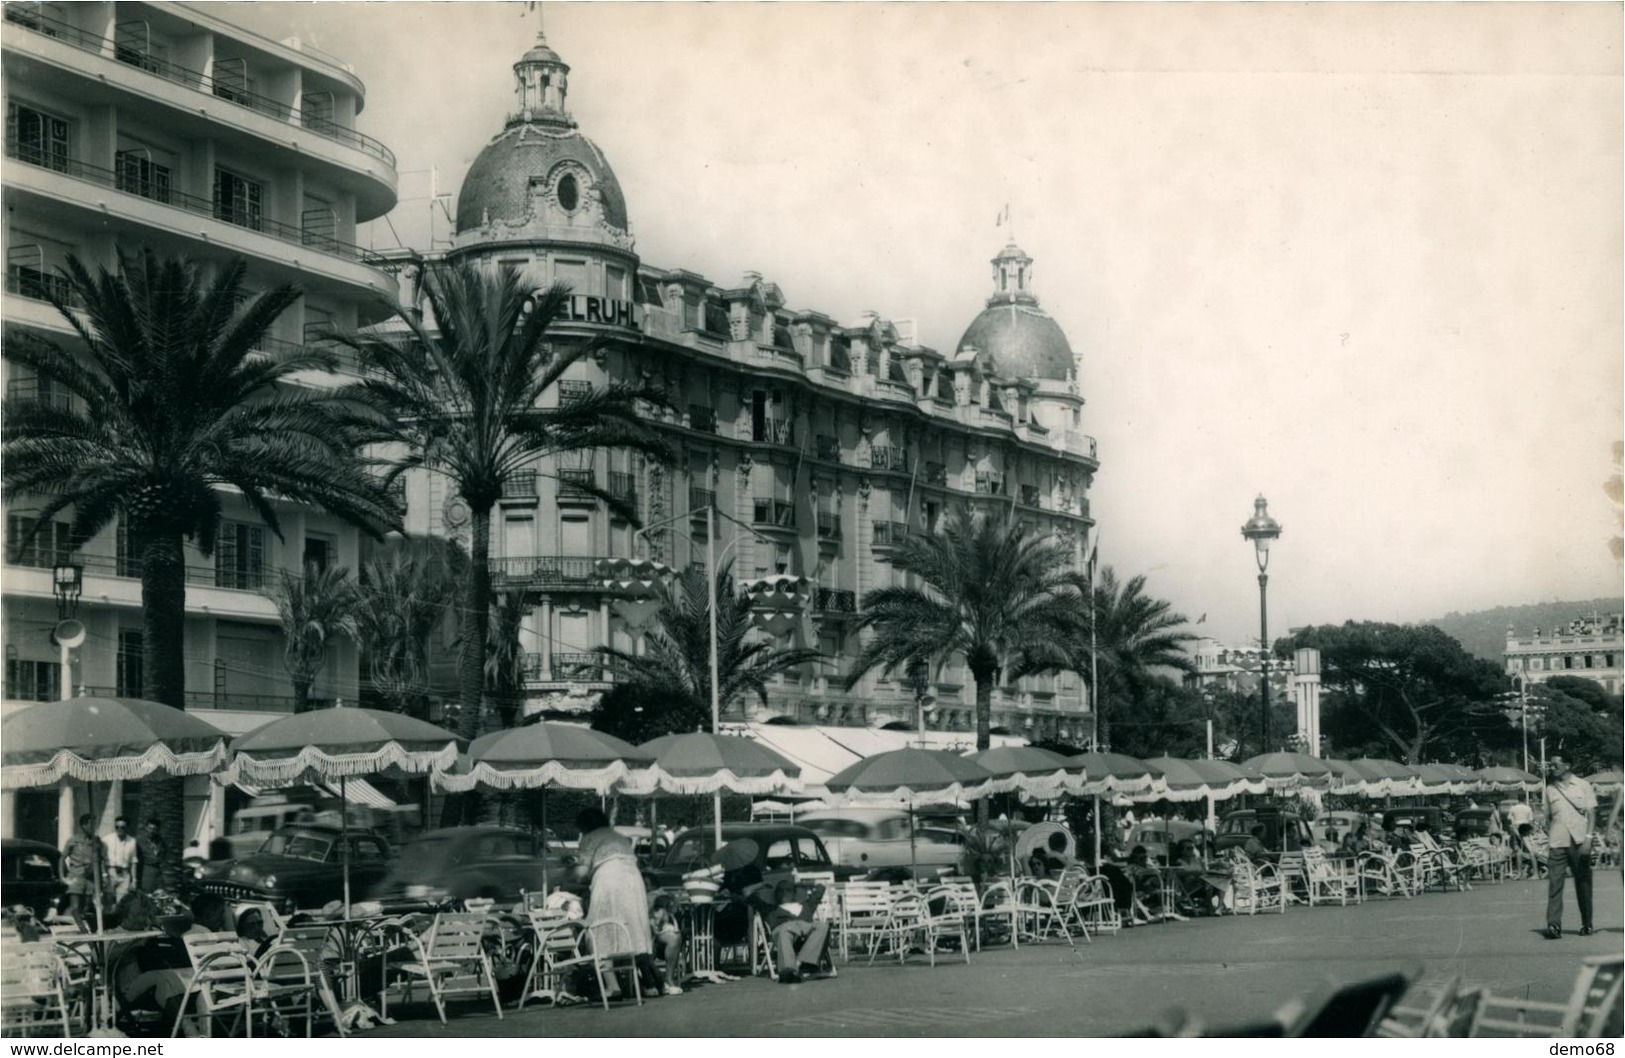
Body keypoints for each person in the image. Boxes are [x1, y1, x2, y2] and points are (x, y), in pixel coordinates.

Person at [573, 808, 675, 998]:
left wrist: (570, 870)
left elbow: (580, 875)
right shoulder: (617, 836)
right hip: (634, 882)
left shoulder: (589, 839)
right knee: (635, 929)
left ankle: (613, 985)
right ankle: (651, 983)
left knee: (600, 930)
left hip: (609, 883)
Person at [1541, 755, 1596, 939]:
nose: (1552, 767)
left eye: (1555, 764)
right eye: (1550, 764)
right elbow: (1547, 817)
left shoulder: (1583, 785)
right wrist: (1553, 834)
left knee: (1583, 884)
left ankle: (1587, 924)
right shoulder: (1549, 789)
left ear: (1567, 765)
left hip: (1579, 841)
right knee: (1555, 885)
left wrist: (1588, 839)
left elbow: (1591, 813)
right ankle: (1553, 925)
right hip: (1557, 842)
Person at [747, 879, 830, 984]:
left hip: (806, 934)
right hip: (783, 931)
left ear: (794, 893)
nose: (784, 893)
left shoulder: (807, 905)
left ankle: (802, 964)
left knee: (822, 926)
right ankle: (789, 970)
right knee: (785, 929)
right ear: (776, 894)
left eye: (788, 890)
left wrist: (800, 882)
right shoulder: (770, 909)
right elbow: (747, 893)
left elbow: (821, 885)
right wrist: (762, 884)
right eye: (780, 890)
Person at [61, 813, 102, 932]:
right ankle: (80, 929)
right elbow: (62, 858)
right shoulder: (73, 840)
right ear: (84, 825)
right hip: (76, 876)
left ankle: (81, 928)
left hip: (90, 878)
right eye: (91, 824)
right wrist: (62, 876)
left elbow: (100, 860)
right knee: (75, 907)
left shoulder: (96, 841)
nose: (94, 827)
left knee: (87, 906)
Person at [648, 893, 683, 992]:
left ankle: (668, 979)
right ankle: (665, 980)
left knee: (676, 937)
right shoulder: (659, 913)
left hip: (661, 941)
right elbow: (656, 928)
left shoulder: (670, 917)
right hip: (652, 940)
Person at [103, 816, 140, 903]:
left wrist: (134, 880)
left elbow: (133, 861)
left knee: (122, 901)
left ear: (127, 827)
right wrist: (104, 875)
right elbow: (101, 859)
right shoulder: (106, 840)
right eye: (117, 827)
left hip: (125, 874)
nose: (119, 829)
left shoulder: (132, 841)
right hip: (111, 873)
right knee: (108, 900)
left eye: (122, 827)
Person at [137, 818, 165, 893]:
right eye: (150, 828)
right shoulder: (139, 841)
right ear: (146, 828)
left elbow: (163, 854)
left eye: (154, 829)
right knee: (146, 892)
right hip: (146, 869)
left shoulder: (160, 841)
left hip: (158, 871)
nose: (151, 831)